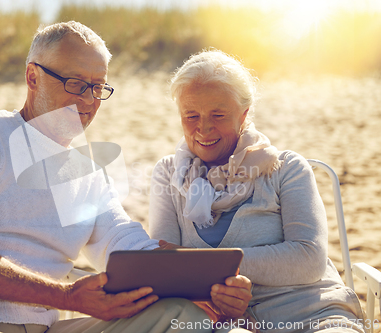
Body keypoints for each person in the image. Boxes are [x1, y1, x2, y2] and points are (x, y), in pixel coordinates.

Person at [0, 22, 251, 333]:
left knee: (183, 318)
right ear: (33, 76)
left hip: (42, 328)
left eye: (98, 87)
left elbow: (123, 243)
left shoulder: (84, 171)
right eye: (76, 83)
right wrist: (66, 297)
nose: (89, 100)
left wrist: (204, 282)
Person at [149, 49, 365, 333]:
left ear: (244, 114)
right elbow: (165, 267)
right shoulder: (168, 174)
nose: (203, 128)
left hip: (312, 313)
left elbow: (309, 258)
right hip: (223, 323)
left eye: (218, 114)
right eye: (191, 115)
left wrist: (204, 265)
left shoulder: (286, 167)